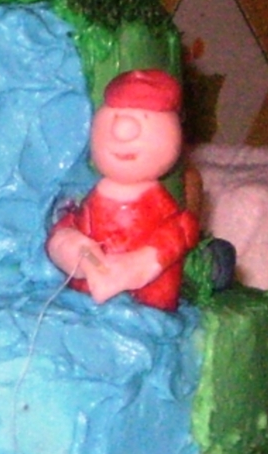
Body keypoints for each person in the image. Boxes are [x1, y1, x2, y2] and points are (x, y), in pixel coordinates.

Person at [46, 68, 198, 312]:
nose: (122, 131)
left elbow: (178, 232)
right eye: (115, 117)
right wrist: (69, 245)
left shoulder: (159, 206)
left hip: (146, 306)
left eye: (143, 119)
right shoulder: (93, 199)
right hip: (85, 304)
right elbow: (70, 225)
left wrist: (138, 265)